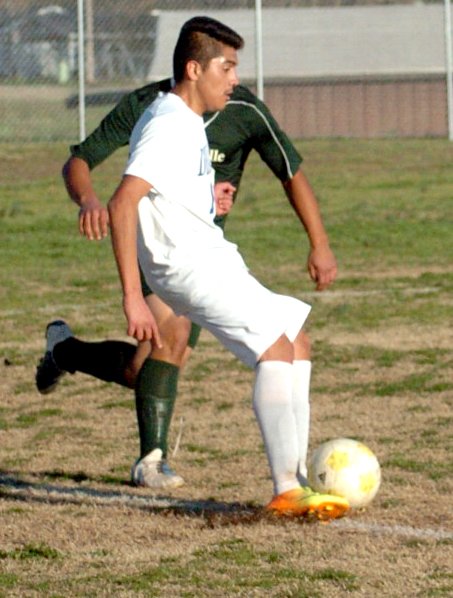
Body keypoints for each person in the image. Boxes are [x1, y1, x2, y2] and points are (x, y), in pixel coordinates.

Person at [36, 20, 338, 492]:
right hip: (189, 266)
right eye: (227, 67)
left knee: (297, 340)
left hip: (210, 256)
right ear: (195, 69)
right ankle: (288, 490)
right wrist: (133, 297)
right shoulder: (169, 122)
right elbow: (122, 202)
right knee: (274, 352)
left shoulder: (188, 120)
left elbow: (163, 190)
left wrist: (204, 197)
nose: (235, 79)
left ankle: (298, 479)